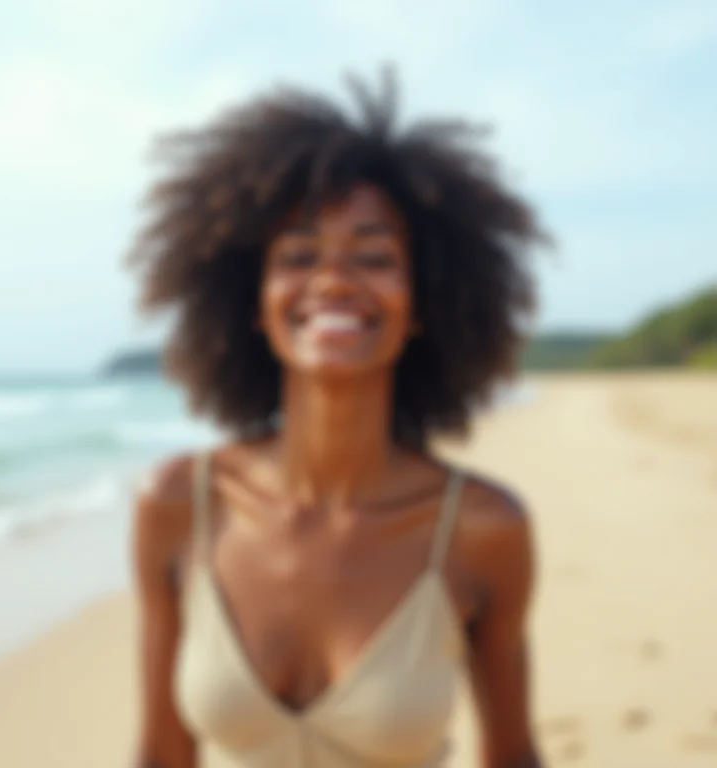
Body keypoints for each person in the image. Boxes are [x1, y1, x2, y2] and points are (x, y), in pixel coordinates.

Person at [128, 69, 547, 768]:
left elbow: (513, 756)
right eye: (297, 255)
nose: (334, 280)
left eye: (375, 256)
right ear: (253, 301)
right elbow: (159, 756)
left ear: (421, 305)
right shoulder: (178, 506)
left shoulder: (481, 529)